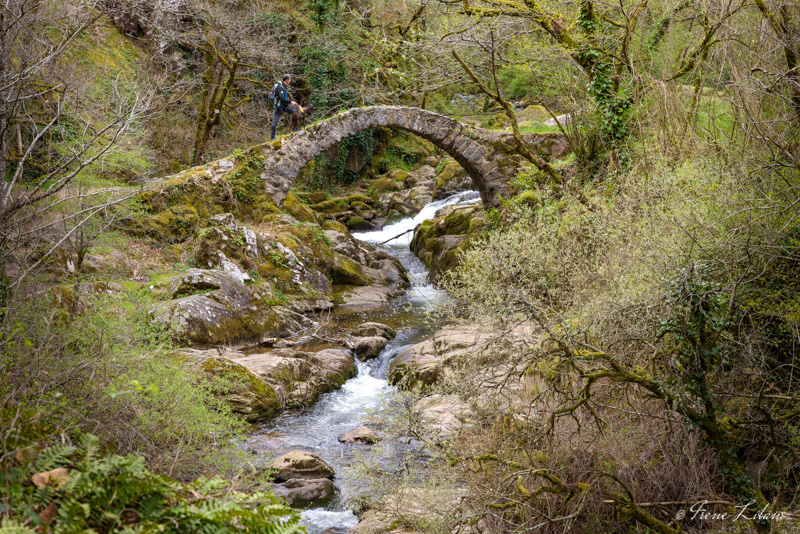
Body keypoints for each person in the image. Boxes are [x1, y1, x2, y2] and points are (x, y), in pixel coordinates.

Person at [270, 74, 298, 140]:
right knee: (275, 121)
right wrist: (291, 102)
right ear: (287, 80)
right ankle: (272, 137)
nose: (290, 80)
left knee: (294, 113)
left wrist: (289, 102)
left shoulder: (284, 86)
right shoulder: (280, 87)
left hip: (284, 105)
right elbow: (282, 98)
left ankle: (295, 129)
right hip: (279, 106)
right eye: (290, 79)